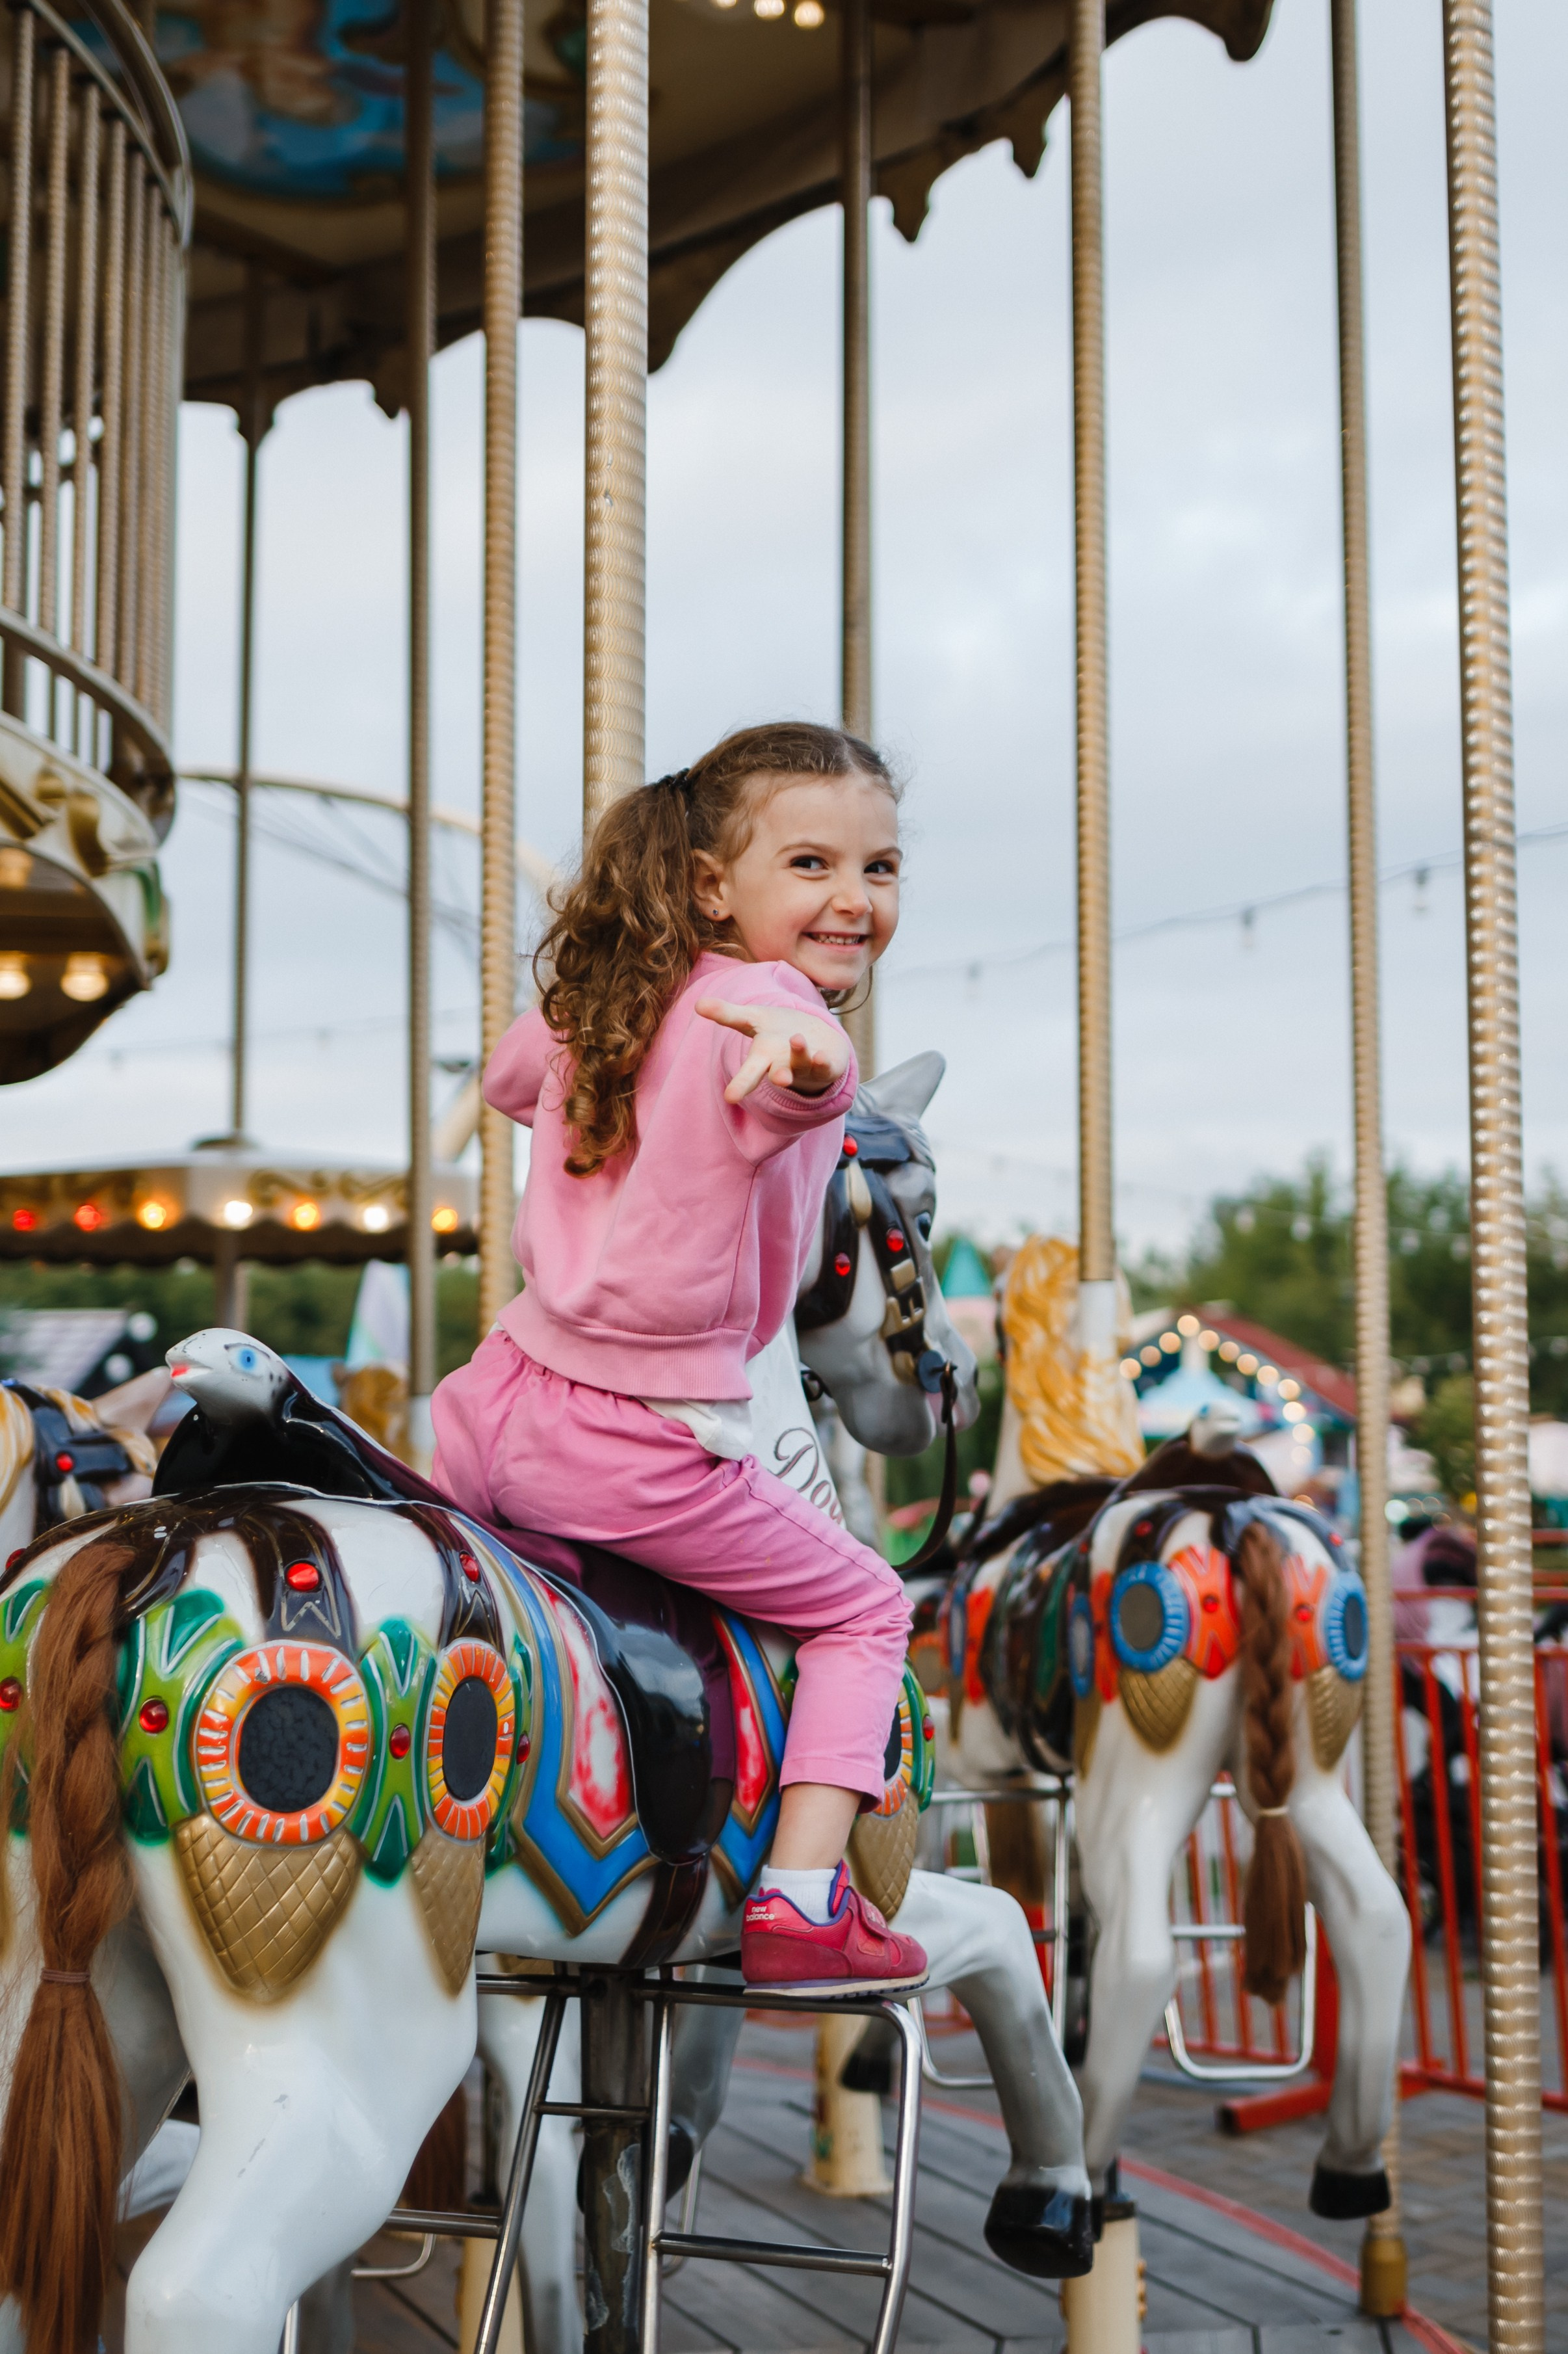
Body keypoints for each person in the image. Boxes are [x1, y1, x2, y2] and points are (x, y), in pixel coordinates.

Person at [432, 721, 926, 1994]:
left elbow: (505, 1075)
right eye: (811, 863)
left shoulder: (623, 996)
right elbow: (803, 1084)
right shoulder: (774, 1008)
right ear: (715, 882)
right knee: (867, 1603)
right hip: (629, 1441)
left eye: (879, 868)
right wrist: (809, 1061)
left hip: (488, 1410)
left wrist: (609, 1005)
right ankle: (809, 1898)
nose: (851, 899)